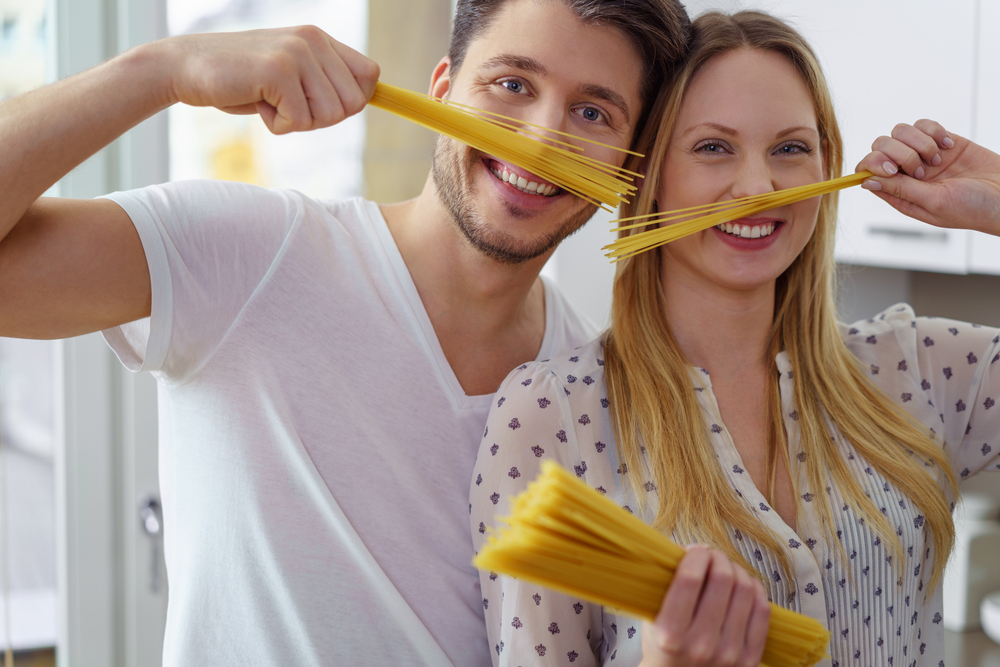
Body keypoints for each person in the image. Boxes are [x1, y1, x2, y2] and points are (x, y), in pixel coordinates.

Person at [0, 0, 692, 665]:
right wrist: (161, 70)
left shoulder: (597, 397)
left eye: (593, 111)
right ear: (444, 89)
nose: (542, 139)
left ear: (629, 167)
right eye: (512, 83)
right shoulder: (249, 255)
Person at [470, 9, 1000, 667]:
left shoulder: (921, 368)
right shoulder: (550, 418)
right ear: (648, 177)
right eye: (713, 147)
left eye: (790, 148)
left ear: (825, 165)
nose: (757, 187)